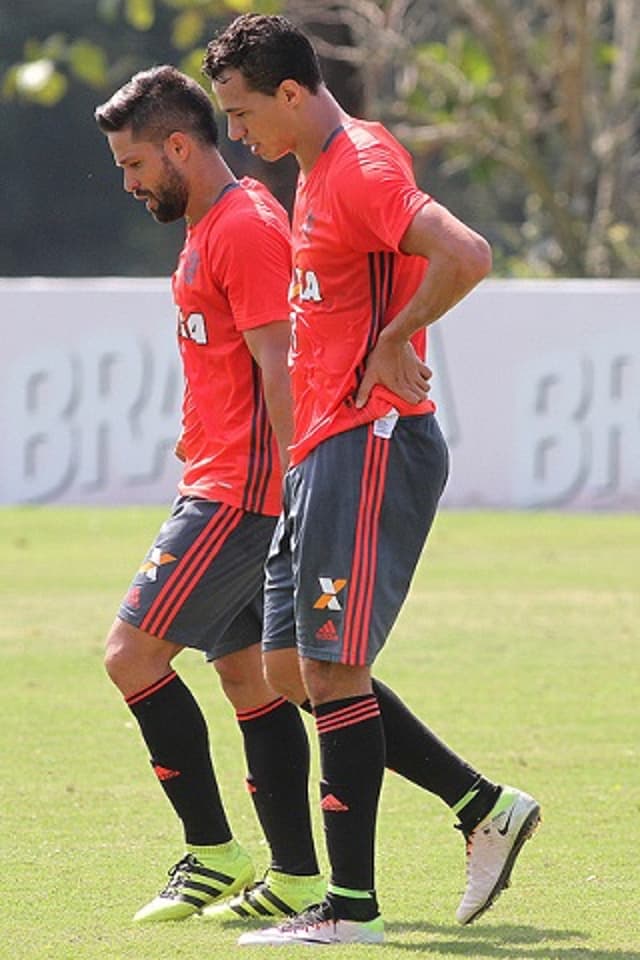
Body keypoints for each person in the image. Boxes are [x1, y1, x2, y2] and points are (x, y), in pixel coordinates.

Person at [203, 14, 541, 946]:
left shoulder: (359, 167)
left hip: (372, 439)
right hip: (324, 446)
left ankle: (350, 912)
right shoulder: (315, 172)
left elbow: (466, 253)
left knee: (331, 668)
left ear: (291, 93)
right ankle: (484, 805)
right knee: (288, 669)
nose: (238, 136)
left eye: (241, 114)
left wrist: (396, 340)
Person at [94, 65, 325, 924]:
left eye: (134, 164)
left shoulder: (245, 227)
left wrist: (299, 483)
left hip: (241, 494)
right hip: (222, 475)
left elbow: (280, 364)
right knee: (247, 677)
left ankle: (214, 853)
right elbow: (230, 362)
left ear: (179, 146)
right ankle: (298, 877)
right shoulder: (208, 225)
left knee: (131, 656)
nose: (127, 182)